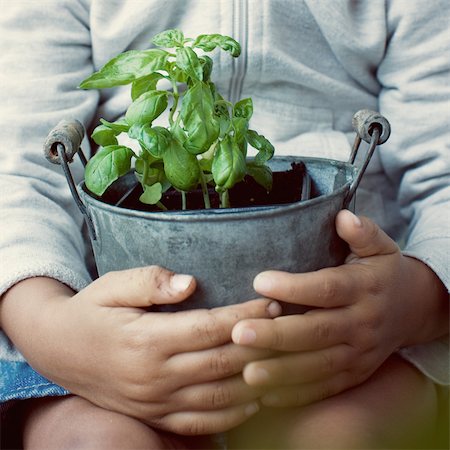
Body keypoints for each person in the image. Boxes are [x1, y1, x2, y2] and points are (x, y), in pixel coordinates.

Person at [0, 0, 448, 449]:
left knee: (341, 438)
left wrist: (418, 301)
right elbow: (19, 174)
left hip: (346, 333)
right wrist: (49, 326)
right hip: (107, 336)